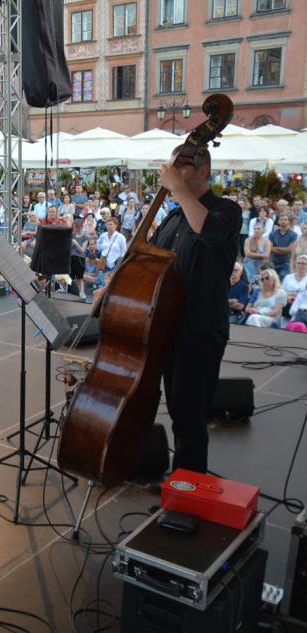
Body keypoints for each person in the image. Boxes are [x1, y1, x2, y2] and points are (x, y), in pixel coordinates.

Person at [153, 145, 242, 473]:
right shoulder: (175, 216)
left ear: (203, 170)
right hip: (169, 326)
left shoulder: (226, 211)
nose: (173, 171)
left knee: (189, 417)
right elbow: (147, 257)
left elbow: (209, 232)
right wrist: (111, 284)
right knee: (177, 410)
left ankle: (187, 492)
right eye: (172, 166)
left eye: (181, 166)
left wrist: (175, 188)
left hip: (201, 330)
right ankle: (181, 481)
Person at [268, 214, 297, 280]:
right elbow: (270, 248)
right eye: (281, 219)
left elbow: (290, 249)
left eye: (285, 219)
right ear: (278, 222)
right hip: (273, 262)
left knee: (283, 280)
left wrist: (276, 248)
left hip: (286, 263)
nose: (283, 221)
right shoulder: (272, 234)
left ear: (288, 221)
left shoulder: (293, 234)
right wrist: (285, 249)